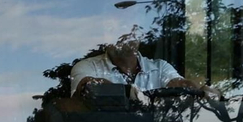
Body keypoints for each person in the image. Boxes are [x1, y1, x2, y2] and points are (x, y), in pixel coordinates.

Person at [69, 40, 201, 105]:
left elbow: (178, 85)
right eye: (116, 31)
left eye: (131, 30)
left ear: (139, 38)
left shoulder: (160, 67)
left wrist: (200, 91)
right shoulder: (86, 67)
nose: (125, 37)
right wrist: (127, 92)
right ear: (105, 38)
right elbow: (86, 88)